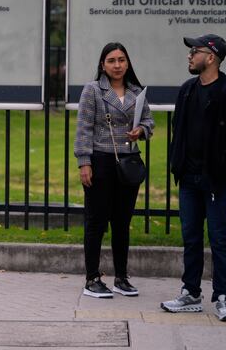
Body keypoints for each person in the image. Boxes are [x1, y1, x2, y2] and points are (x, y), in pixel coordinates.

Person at [161, 34, 226, 321]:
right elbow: (179, 130)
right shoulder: (188, 89)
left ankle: (223, 297)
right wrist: (181, 164)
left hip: (217, 180)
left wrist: (220, 166)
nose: (189, 55)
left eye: (195, 51)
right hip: (189, 179)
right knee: (190, 237)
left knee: (219, 238)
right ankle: (191, 293)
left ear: (210, 57)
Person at [74, 42, 154, 298]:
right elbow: (84, 127)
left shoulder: (137, 91)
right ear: (102, 64)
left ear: (127, 63)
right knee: (96, 221)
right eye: (111, 60)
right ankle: (92, 278)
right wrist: (84, 162)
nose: (117, 65)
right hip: (100, 161)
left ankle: (121, 277)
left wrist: (141, 130)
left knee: (122, 221)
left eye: (121, 60)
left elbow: (149, 121)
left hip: (128, 162)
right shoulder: (93, 90)